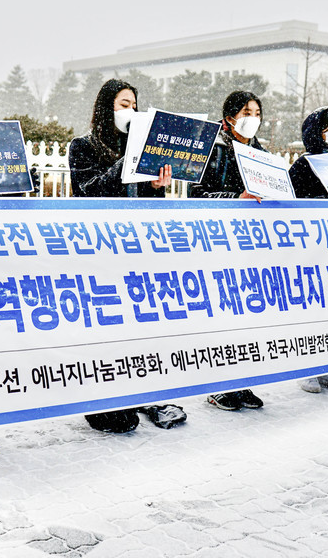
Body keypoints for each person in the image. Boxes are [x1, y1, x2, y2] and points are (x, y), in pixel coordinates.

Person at [68, 78, 175, 433]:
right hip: (98, 251)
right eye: (123, 104)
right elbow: (89, 192)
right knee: (102, 328)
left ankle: (138, 393)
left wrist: (155, 186)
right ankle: (99, 401)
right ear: (105, 108)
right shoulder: (81, 146)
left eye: (134, 105)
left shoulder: (142, 148)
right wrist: (129, 164)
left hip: (135, 251)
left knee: (136, 327)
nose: (130, 111)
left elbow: (145, 206)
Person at [188, 90, 266, 411]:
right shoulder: (212, 148)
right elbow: (197, 194)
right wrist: (236, 199)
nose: (253, 118)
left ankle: (242, 381)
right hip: (216, 241)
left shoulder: (260, 153)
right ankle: (218, 384)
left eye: (258, 113)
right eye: (247, 111)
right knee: (220, 318)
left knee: (245, 317)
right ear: (230, 116)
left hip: (248, 245)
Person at [287, 106, 328, 393]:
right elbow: (290, 202)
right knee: (310, 310)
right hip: (310, 249)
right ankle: (306, 368)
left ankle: (327, 365)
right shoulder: (304, 165)